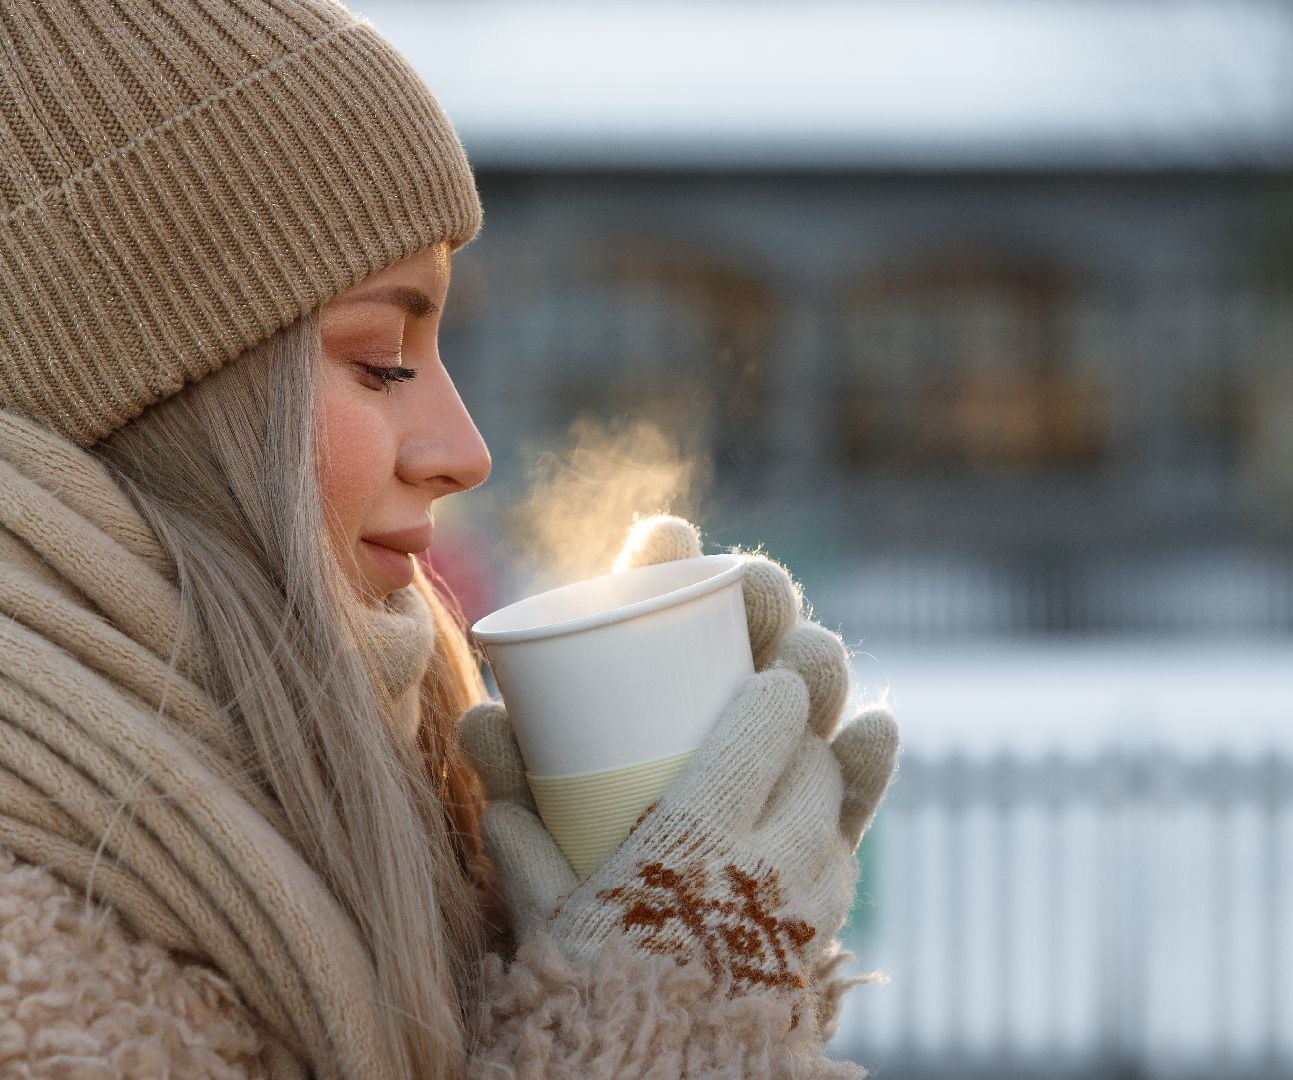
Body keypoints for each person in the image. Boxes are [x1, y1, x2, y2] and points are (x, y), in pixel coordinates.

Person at [0, 0, 899, 1076]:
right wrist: (662, 1027)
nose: (465, 451)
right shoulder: (37, 987)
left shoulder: (374, 809)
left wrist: (554, 951)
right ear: (154, 410)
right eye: (382, 358)